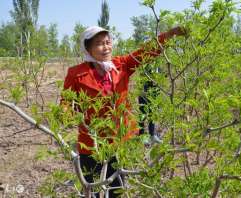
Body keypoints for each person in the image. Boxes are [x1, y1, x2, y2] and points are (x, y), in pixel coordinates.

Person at [62, 25, 185, 197]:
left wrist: (169, 35)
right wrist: (65, 114)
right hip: (91, 144)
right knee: (92, 189)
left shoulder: (121, 65)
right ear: (88, 48)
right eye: (99, 44)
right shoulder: (76, 74)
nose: (105, 47)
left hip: (118, 141)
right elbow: (66, 103)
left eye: (107, 42)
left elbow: (146, 51)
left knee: (116, 188)